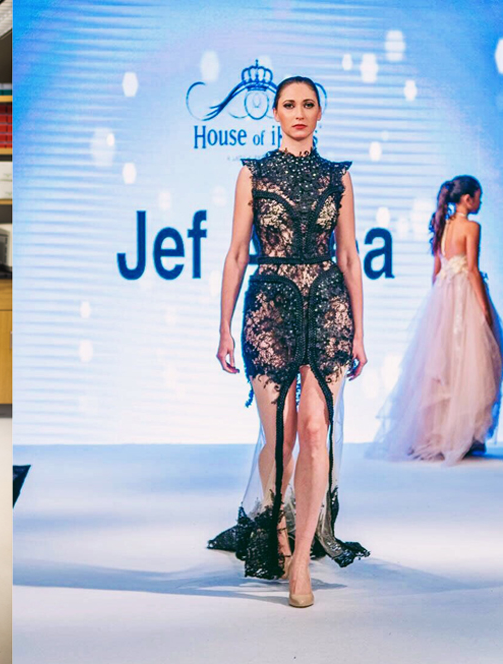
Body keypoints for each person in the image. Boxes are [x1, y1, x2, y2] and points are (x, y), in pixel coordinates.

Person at [209, 76, 369, 608]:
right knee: (279, 438)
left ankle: (300, 559)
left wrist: (361, 334)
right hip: (270, 306)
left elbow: (349, 257)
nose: (298, 113)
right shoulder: (252, 174)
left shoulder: (339, 178)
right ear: (274, 113)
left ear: (321, 113)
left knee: (316, 429)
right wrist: (223, 326)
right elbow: (236, 253)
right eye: (288, 105)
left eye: (308, 105)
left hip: (328, 305)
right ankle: (276, 525)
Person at [374, 176, 502, 463]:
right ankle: (461, 436)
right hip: (464, 295)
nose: (480, 202)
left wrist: (438, 305)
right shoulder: (471, 227)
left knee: (442, 364)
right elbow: (471, 269)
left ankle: (442, 434)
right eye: (479, 197)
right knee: (468, 363)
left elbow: (435, 271)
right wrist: (483, 309)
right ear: (468, 199)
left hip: (443, 295)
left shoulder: (442, 225)